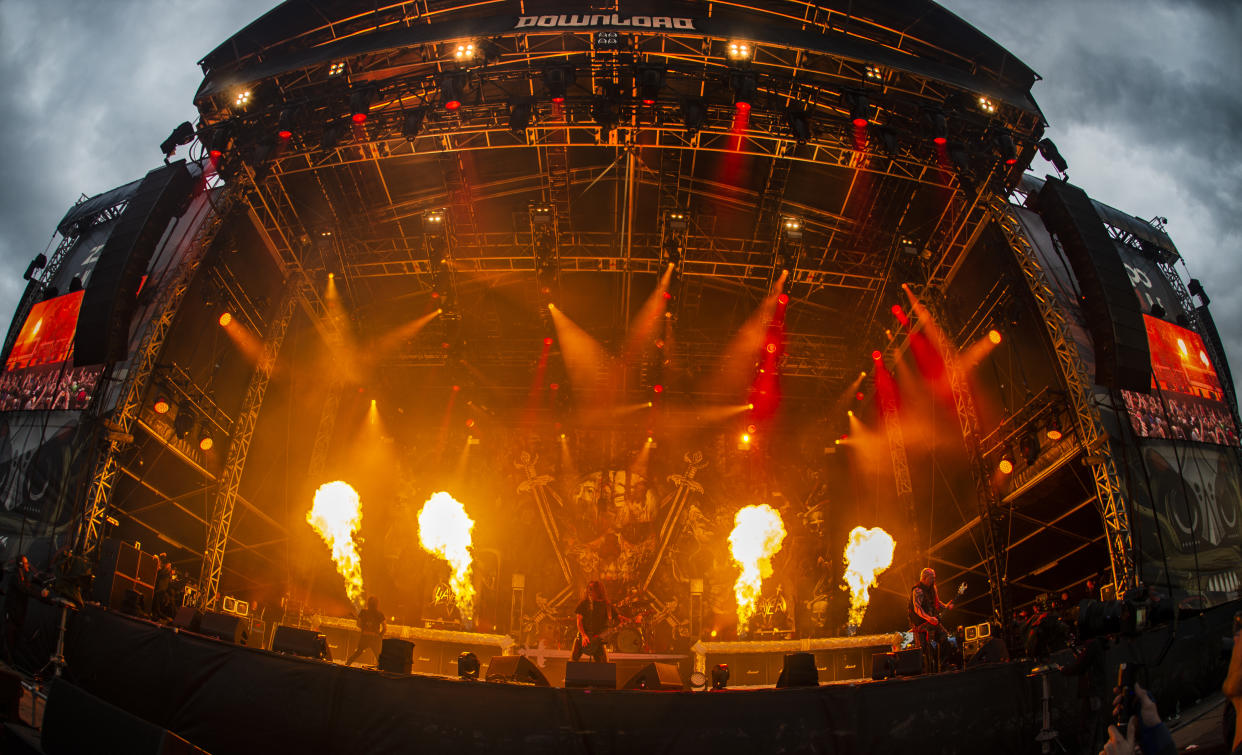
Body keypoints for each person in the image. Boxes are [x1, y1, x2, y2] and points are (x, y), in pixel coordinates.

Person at [908, 567, 954, 673]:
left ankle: (944, 665)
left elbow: (936, 601)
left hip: (932, 620)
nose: (934, 580)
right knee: (923, 647)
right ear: (924, 578)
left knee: (944, 637)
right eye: (931, 578)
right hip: (920, 623)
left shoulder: (933, 588)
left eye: (934, 577)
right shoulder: (918, 590)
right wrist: (929, 618)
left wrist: (946, 606)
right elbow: (917, 608)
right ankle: (923, 671)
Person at [572, 580, 618, 663]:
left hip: (598, 640)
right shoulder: (584, 603)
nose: (589, 591)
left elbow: (618, 617)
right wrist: (584, 635)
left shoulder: (606, 605)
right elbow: (579, 621)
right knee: (572, 664)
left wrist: (630, 619)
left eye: (591, 589)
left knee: (604, 666)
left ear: (599, 591)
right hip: (583, 638)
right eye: (588, 588)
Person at [346, 596, 386, 666]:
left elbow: (358, 625)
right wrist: (380, 636)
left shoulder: (363, 612)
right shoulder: (380, 614)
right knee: (378, 657)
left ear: (368, 603)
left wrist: (365, 626)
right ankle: (384, 671)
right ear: (377, 604)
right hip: (375, 638)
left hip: (365, 636)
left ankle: (347, 665)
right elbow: (385, 628)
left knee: (358, 652)